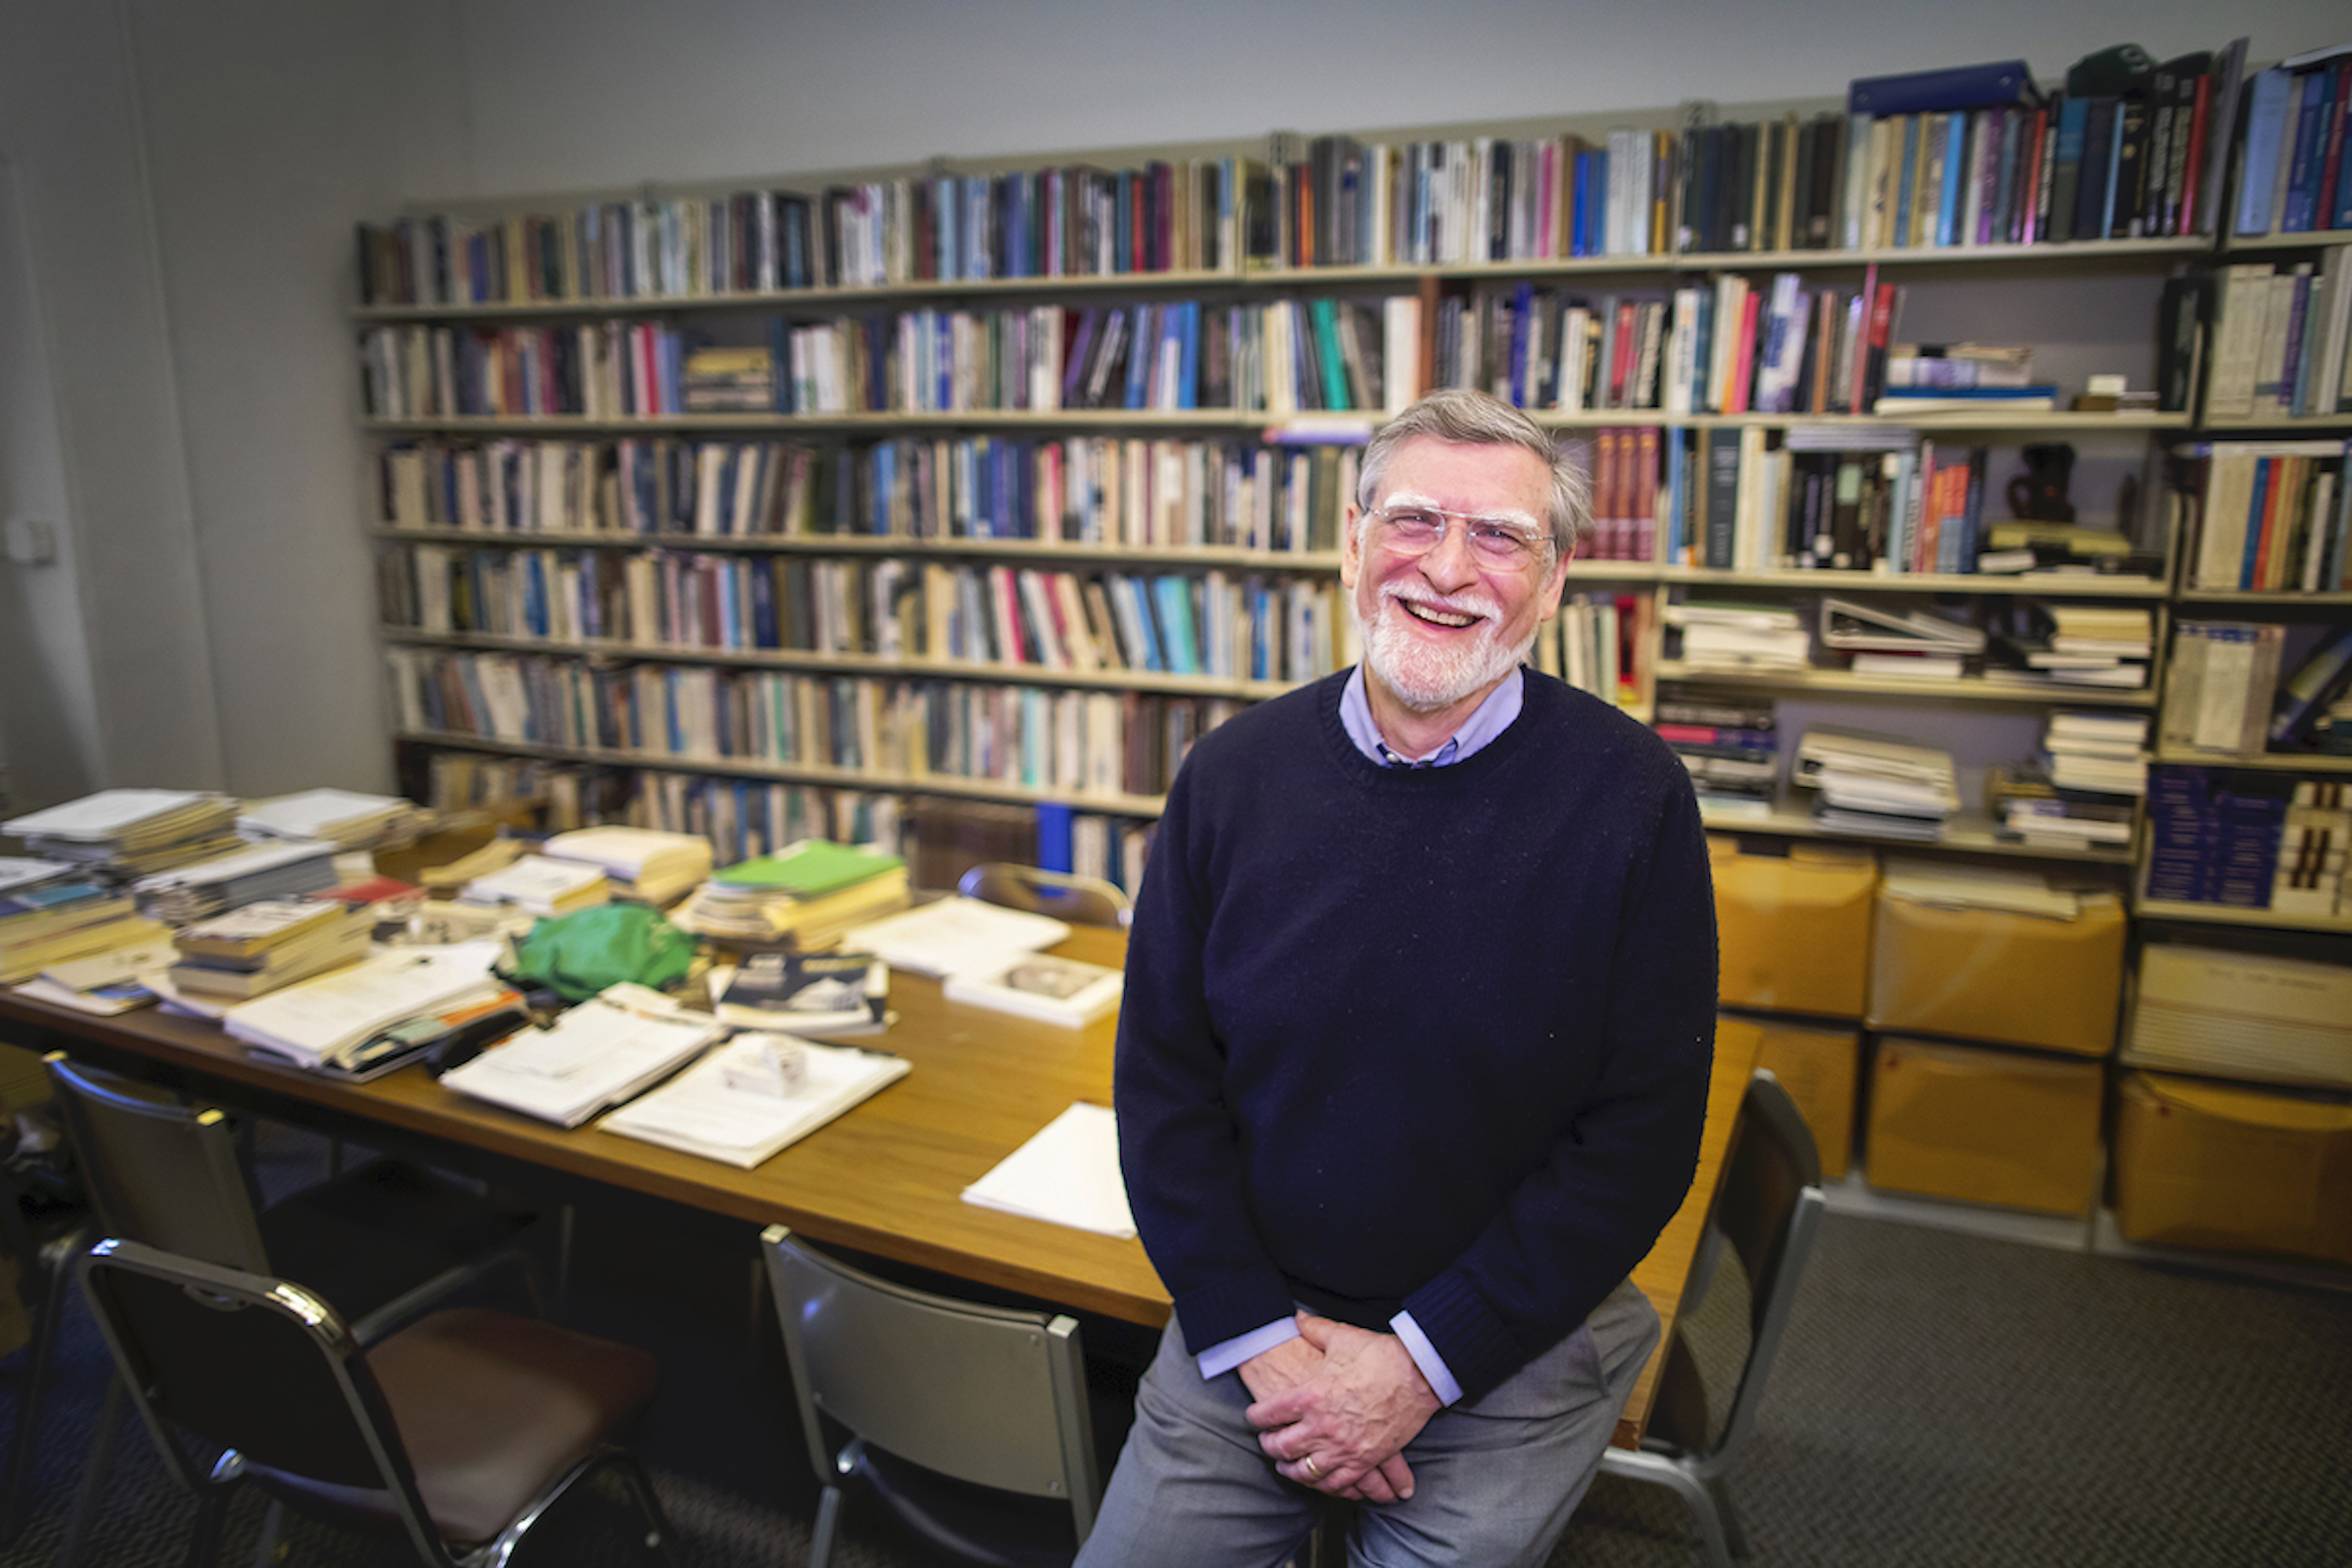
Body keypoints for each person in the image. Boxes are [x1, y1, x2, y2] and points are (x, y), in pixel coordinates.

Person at [1080, 388, 1717, 1567]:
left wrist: (1422, 1360)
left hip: (1505, 1333)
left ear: (1557, 579)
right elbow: (1164, 1088)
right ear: (1353, 544)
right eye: (1417, 520)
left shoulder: (1635, 802)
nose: (1448, 567)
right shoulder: (1228, 778)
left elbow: (1641, 1140)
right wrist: (1256, 1336)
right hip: (1256, 1329)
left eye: (1501, 537)